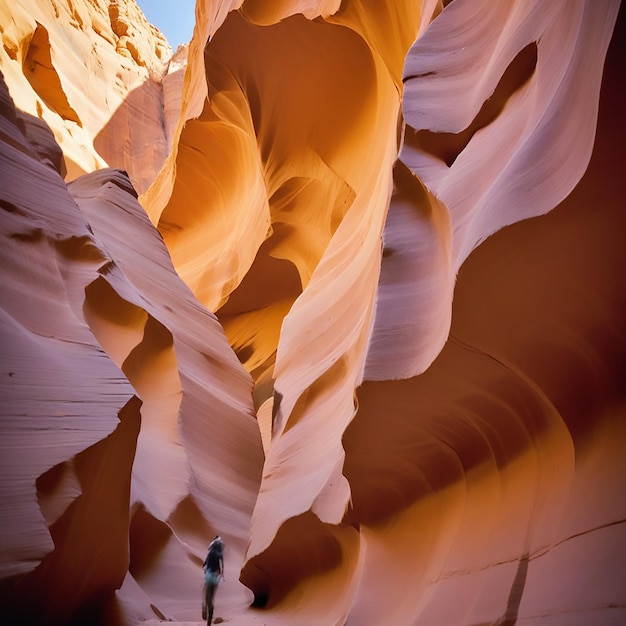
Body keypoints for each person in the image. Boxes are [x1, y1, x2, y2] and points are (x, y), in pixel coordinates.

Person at [202, 536, 224, 625]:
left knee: (206, 596)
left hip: (209, 576)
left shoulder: (210, 553)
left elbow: (205, 564)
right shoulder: (220, 554)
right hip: (216, 578)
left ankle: (204, 609)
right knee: (211, 598)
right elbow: (222, 566)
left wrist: (205, 567)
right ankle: (209, 622)